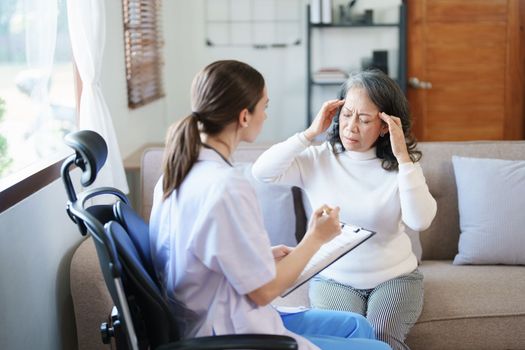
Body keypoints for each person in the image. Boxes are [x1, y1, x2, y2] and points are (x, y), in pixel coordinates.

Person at [148, 60, 391, 350]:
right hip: (229, 334)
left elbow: (202, 253)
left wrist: (261, 255)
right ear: (244, 117)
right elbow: (265, 292)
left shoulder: (174, 174)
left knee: (358, 325)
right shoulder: (227, 187)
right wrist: (315, 239)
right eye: (264, 106)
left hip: (219, 313)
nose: (266, 115)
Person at [252, 69, 437, 350]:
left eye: (364, 119)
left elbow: (420, 220)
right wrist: (310, 134)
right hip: (334, 279)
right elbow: (262, 172)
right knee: (348, 341)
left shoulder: (402, 167)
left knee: (382, 337)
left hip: (394, 277)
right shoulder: (318, 158)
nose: (351, 126)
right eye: (347, 114)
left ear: (385, 126)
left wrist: (404, 160)